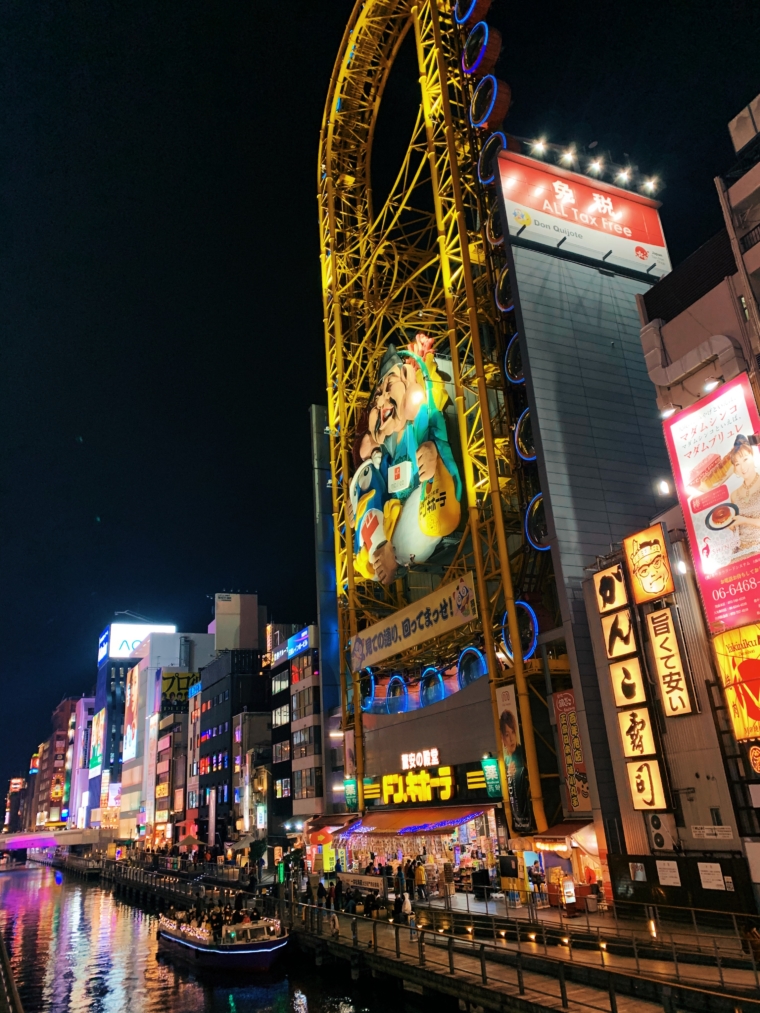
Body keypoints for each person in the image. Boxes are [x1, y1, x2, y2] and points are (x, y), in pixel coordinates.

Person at [500, 707, 532, 833]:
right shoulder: (505, 758)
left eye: (513, 732)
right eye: (507, 734)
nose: (511, 738)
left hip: (525, 813)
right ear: (502, 737)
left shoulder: (523, 754)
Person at [730, 435, 760, 553]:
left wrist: (745, 520)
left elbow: (742, 520)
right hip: (742, 553)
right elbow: (736, 526)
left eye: (745, 459)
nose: (742, 467)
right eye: (737, 464)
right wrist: (731, 526)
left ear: (752, 457)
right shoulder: (734, 495)